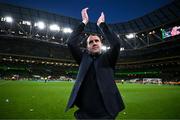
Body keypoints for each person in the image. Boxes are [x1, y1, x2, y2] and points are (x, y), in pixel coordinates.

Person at [65, 8, 125, 119]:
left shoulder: (108, 58)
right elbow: (70, 43)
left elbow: (116, 43)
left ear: (101, 44)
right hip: (85, 114)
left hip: (106, 114)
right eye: (91, 42)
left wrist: (102, 24)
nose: (94, 43)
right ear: (87, 46)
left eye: (97, 41)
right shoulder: (83, 58)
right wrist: (83, 22)